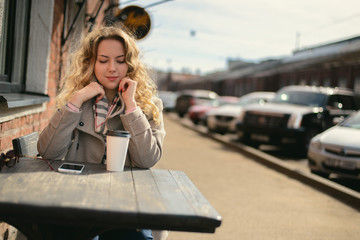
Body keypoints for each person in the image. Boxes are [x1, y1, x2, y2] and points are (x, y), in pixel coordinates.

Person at [37, 24, 166, 240]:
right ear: (91, 63)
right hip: (76, 200)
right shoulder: (77, 99)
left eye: (120, 60)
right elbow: (48, 152)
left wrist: (131, 107)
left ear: (130, 64)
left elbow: (147, 159)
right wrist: (76, 101)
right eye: (103, 60)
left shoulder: (147, 105)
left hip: (125, 204)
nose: (112, 68)